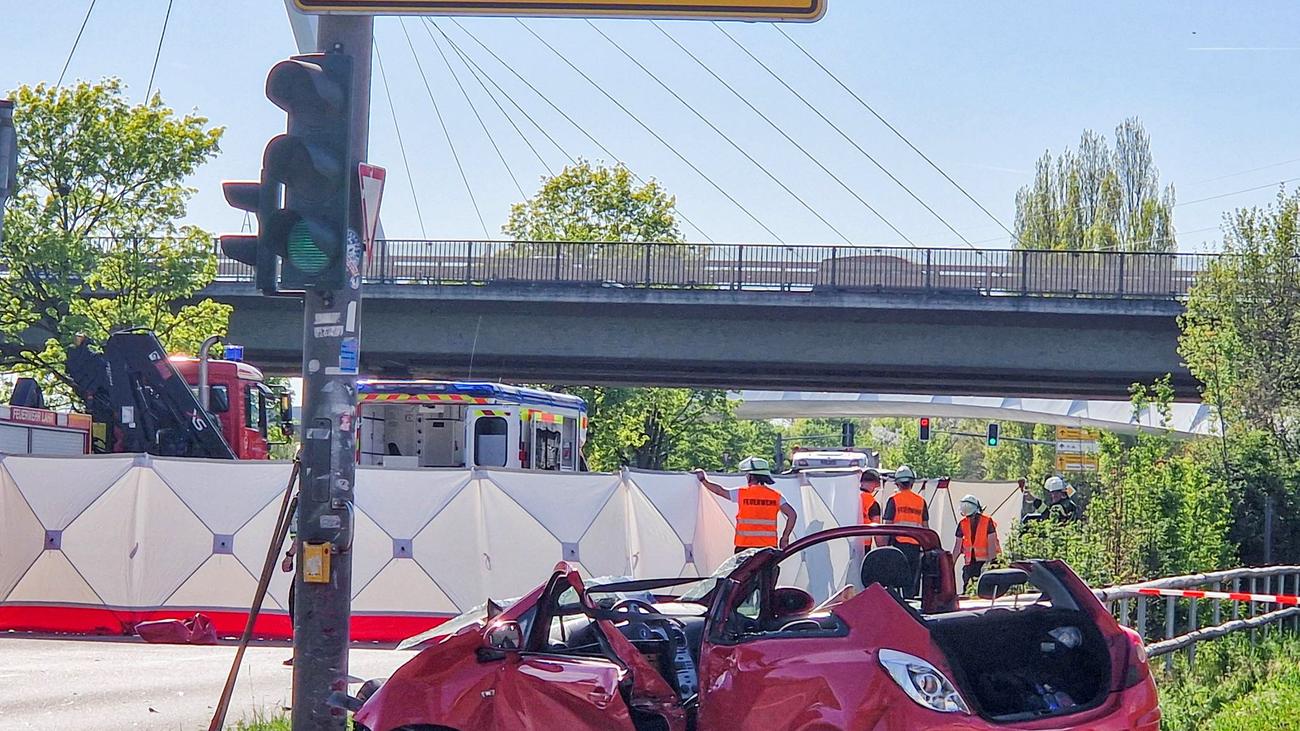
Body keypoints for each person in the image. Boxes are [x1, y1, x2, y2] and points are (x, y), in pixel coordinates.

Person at [695, 457, 797, 552]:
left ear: (751, 476)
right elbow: (792, 515)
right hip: (768, 548)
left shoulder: (742, 493)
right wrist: (785, 537)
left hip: (744, 547)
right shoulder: (776, 496)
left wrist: (703, 480)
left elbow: (720, 491)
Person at [883, 465, 929, 597]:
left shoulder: (893, 500)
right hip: (915, 546)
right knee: (911, 583)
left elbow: (888, 526)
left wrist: (884, 547)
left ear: (897, 483)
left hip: (897, 546)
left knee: (895, 581)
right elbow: (925, 527)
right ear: (912, 482)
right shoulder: (921, 501)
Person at [951, 494, 1001, 590]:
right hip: (970, 564)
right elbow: (957, 548)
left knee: (985, 591)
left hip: (985, 563)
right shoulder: (962, 524)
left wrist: (991, 565)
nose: (971, 519)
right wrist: (950, 565)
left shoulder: (987, 522)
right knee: (969, 589)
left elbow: (992, 546)